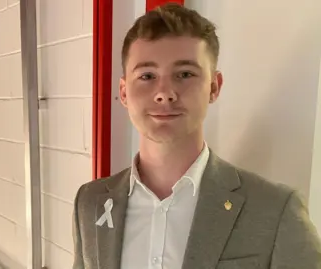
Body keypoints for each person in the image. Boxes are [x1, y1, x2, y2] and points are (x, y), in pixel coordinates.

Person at [72, 3, 321, 269]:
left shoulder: (275, 211)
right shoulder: (90, 203)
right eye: (147, 75)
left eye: (185, 74)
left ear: (214, 87)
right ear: (123, 93)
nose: (164, 92)